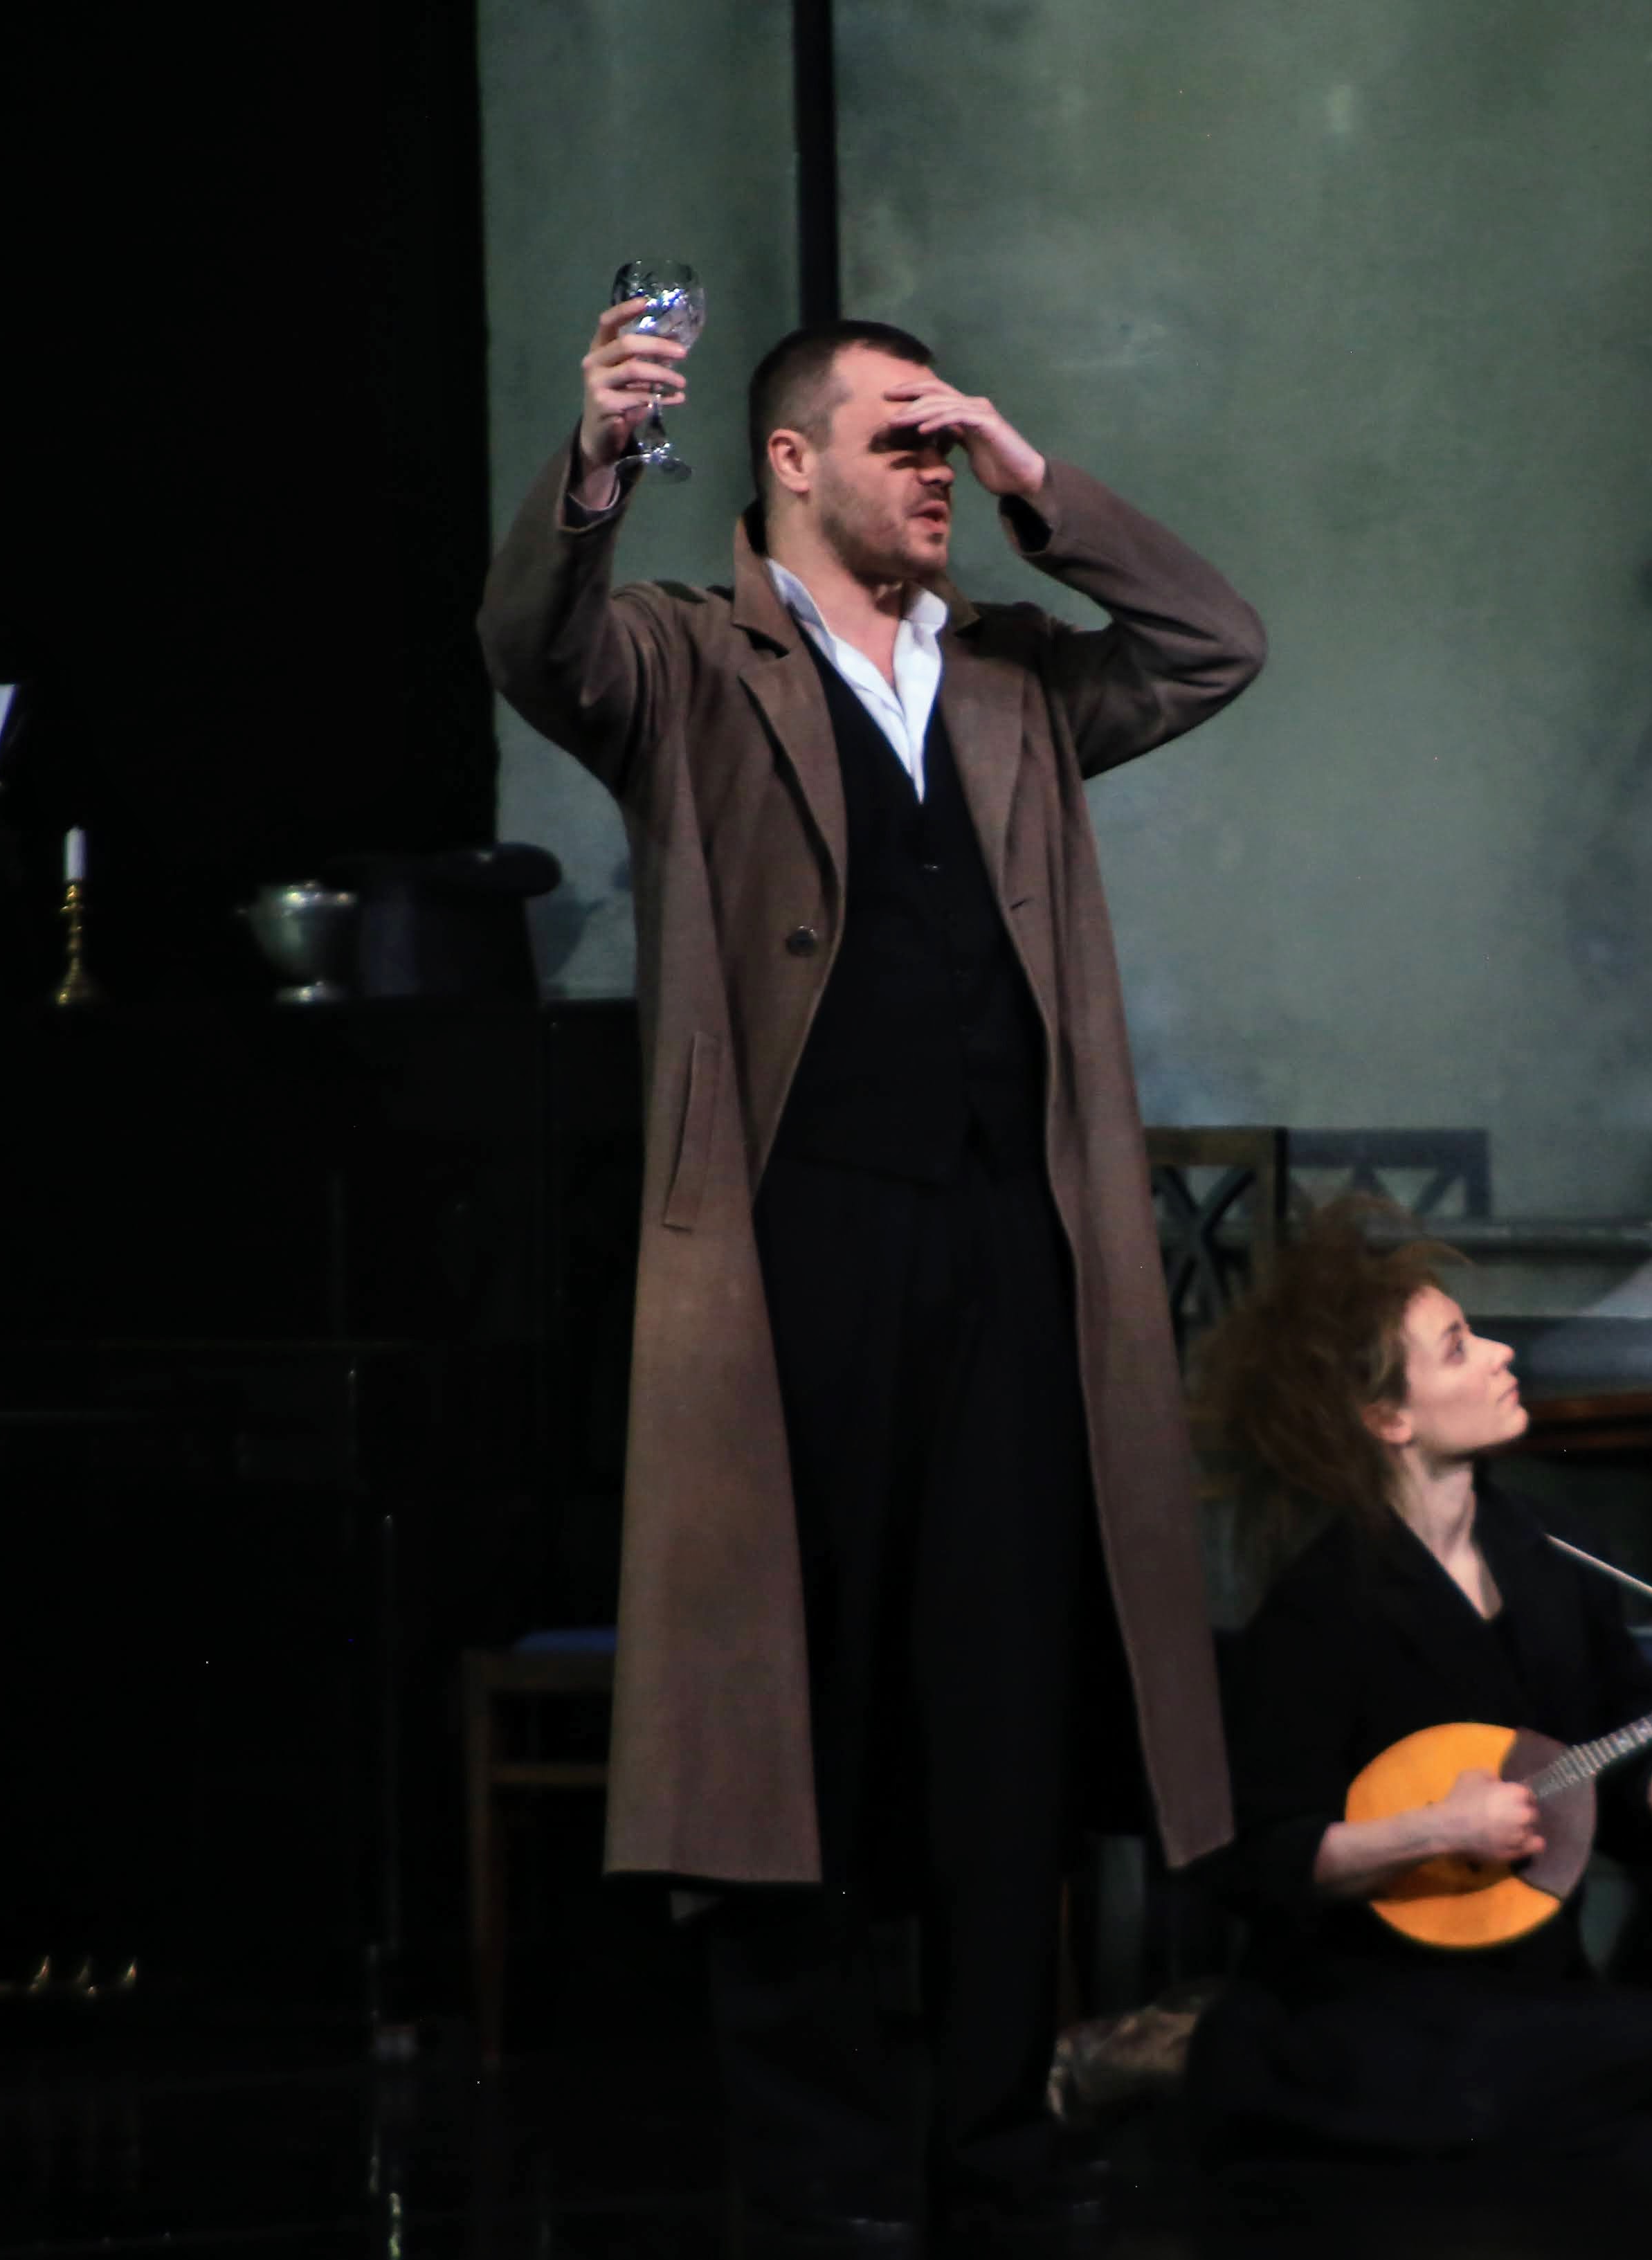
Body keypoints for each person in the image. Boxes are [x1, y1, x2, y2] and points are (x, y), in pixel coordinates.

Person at [478, 302, 1266, 2247]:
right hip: (792, 1260)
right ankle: (819, 2170)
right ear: (788, 462)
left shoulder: (1008, 676)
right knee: (786, 1714)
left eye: (948, 441)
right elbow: (535, 646)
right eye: (901, 438)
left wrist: (1035, 479)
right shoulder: (689, 656)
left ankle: (994, 2144)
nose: (936, 469)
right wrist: (595, 463)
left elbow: (1212, 643)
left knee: (996, 1709)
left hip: (1007, 1247)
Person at [1183, 1203, 1652, 2184]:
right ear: (1389, 1419)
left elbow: (1626, 1815)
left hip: (1526, 1982)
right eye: (1461, 1348)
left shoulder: (1552, 1556)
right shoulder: (1322, 1600)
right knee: (1514, 2101)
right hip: (1367, 1996)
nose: (1504, 1354)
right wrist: (1433, 1831)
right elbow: (1264, 1857)